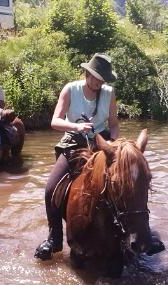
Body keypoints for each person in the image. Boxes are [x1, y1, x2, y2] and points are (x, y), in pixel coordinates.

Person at [34, 53, 120, 260]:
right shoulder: (70, 89)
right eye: (96, 78)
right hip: (74, 142)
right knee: (50, 189)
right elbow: (55, 121)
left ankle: (129, 234)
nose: (99, 83)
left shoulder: (109, 93)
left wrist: (113, 143)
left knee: (123, 182)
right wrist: (76, 126)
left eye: (102, 79)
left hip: (101, 143)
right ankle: (54, 239)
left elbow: (114, 124)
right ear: (87, 74)